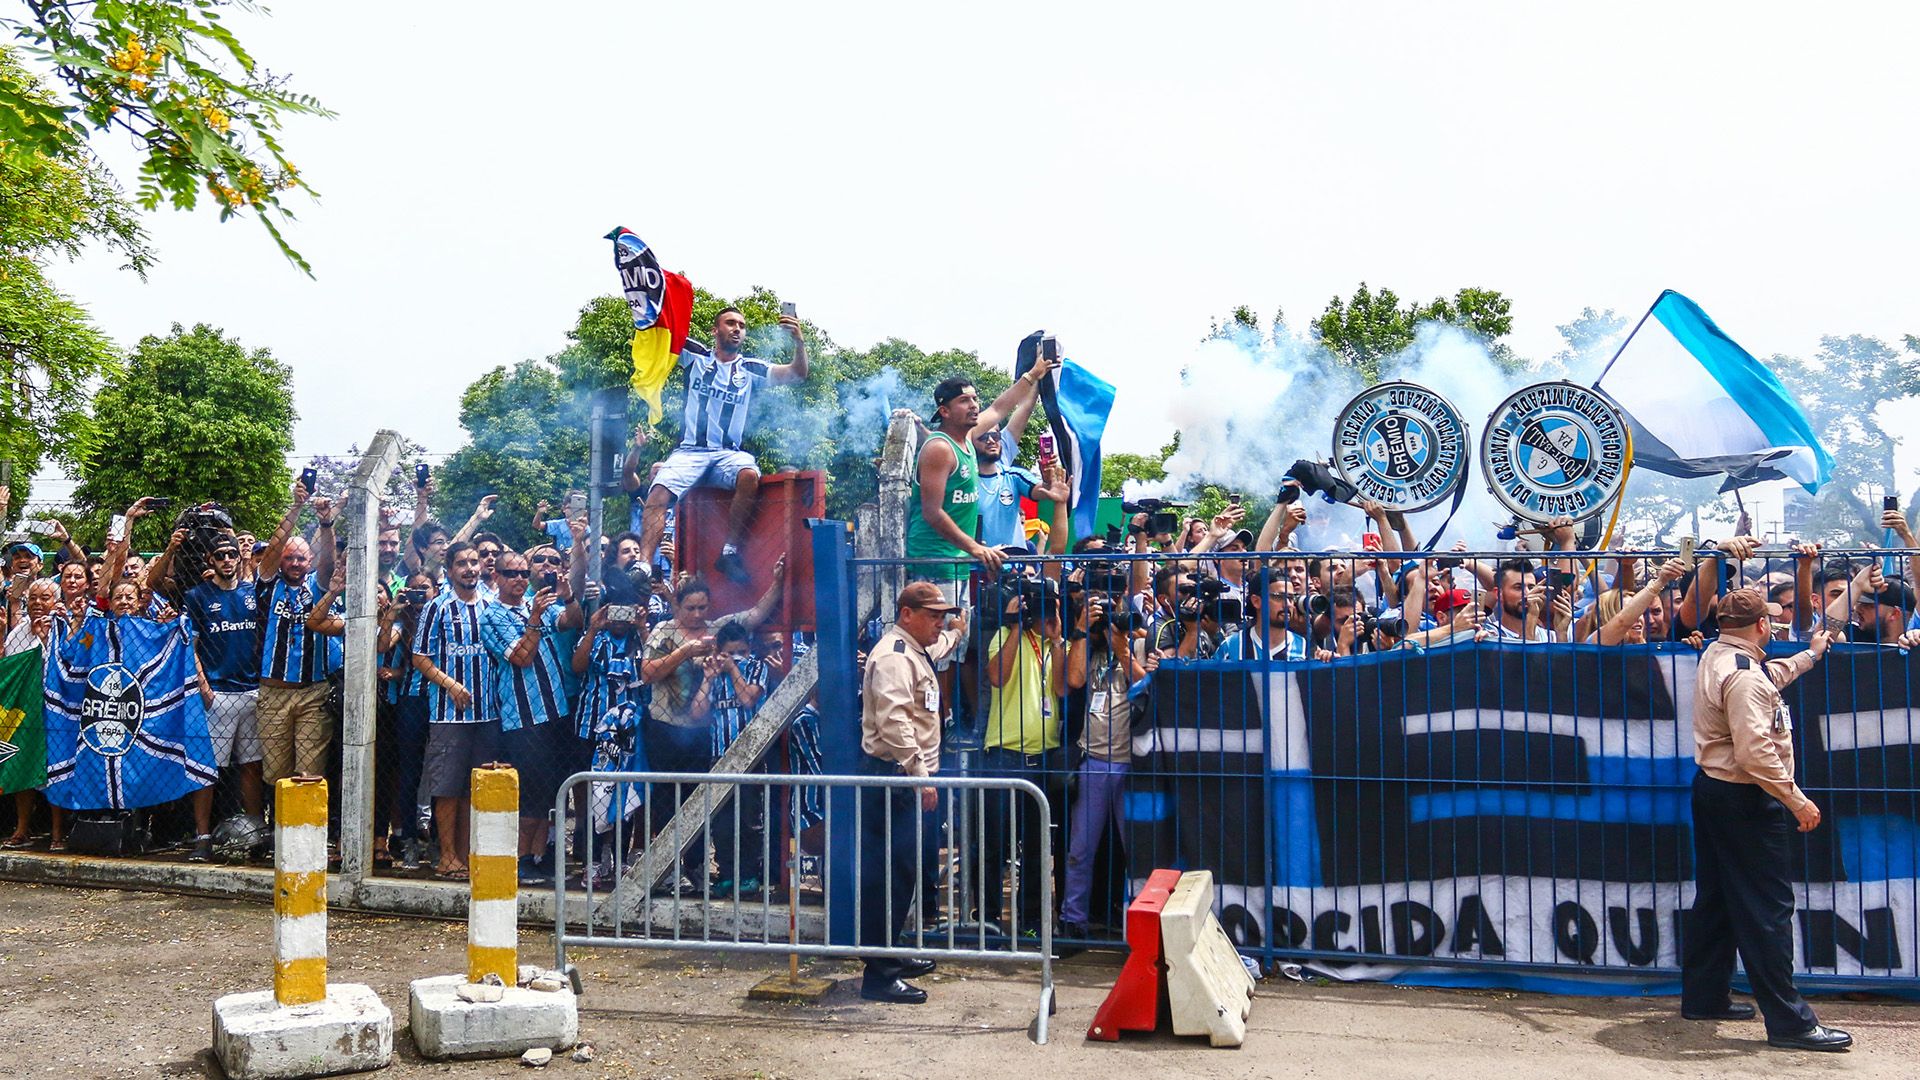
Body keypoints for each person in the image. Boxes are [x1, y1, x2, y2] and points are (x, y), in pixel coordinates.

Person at [1681, 587, 1850, 1051]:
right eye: (1771, 619)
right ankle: (1791, 1022)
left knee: (1715, 899)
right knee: (1768, 911)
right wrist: (1796, 800)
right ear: (1760, 626)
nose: (1774, 625)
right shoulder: (1744, 677)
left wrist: (1809, 656)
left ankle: (1704, 996)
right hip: (1746, 799)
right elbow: (1755, 751)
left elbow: (1764, 676)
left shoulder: (1721, 656)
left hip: (1714, 791)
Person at [635, 306, 809, 586]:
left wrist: (798, 342)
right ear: (715, 330)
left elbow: (797, 374)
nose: (737, 328)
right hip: (690, 451)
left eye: (741, 325)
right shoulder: (694, 356)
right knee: (658, 492)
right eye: (730, 323)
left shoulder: (751, 369)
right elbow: (659, 334)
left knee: (749, 473)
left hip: (728, 454)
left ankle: (729, 552)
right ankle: (643, 565)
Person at [640, 564, 786, 891]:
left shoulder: (716, 632)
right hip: (666, 727)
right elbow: (647, 673)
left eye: (702, 607)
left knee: (703, 801)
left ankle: (696, 865)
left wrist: (776, 582)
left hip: (706, 732)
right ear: (677, 605)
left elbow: (754, 615)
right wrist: (685, 652)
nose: (696, 614)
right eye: (689, 607)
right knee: (666, 798)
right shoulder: (664, 631)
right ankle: (667, 866)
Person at [857, 582, 964, 1004]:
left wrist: (958, 628)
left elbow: (939, 651)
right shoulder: (893, 658)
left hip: (908, 779)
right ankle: (879, 976)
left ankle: (891, 954)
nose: (939, 622)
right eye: (933, 615)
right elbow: (895, 722)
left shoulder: (916, 651)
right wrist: (920, 774)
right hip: (897, 779)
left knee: (908, 871)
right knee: (891, 877)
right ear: (906, 615)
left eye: (942, 615)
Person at [906, 355, 1055, 614]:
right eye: (964, 401)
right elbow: (932, 512)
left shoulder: (967, 441)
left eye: (975, 399)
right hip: (935, 564)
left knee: (955, 641)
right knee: (937, 645)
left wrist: (1034, 374)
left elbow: (999, 408)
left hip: (958, 563)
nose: (974, 405)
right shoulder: (940, 448)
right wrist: (976, 548)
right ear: (944, 411)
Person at [479, 549, 582, 886]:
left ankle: (538, 858)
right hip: (523, 717)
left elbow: (572, 621)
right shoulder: (492, 616)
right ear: (497, 577)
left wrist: (568, 599)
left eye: (524, 573)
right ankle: (522, 857)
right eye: (512, 573)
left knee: (549, 791)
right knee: (531, 793)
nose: (520, 579)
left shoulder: (534, 605)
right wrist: (535, 620)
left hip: (555, 711)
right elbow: (522, 658)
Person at [1060, 589, 1150, 936]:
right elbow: (1074, 680)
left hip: (1132, 764)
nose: (1107, 621)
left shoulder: (1136, 645)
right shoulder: (1086, 649)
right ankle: (1073, 919)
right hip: (1094, 761)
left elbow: (1145, 684)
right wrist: (1083, 629)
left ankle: (1140, 924)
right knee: (1080, 849)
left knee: (1137, 851)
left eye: (1111, 612)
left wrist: (1122, 647)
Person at [410, 541, 495, 880]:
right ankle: (446, 856)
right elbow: (420, 657)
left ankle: (466, 854)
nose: (471, 568)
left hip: (488, 712)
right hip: (448, 712)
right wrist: (450, 684)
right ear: (449, 570)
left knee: (475, 788)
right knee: (447, 786)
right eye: (462, 563)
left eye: (474, 562)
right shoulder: (438, 607)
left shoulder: (491, 605)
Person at [179, 532, 266, 862]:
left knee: (252, 767)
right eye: (220, 555)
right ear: (210, 561)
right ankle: (202, 836)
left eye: (232, 554)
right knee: (207, 770)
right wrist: (204, 686)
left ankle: (256, 833)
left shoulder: (252, 592)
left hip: (252, 690)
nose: (227, 559)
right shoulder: (197, 596)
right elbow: (192, 645)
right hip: (218, 693)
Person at [253, 480, 339, 784]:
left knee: (309, 774)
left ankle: (308, 833)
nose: (294, 562)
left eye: (301, 558)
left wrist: (326, 522)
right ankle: (279, 831)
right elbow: (274, 547)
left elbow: (329, 562)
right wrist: (297, 506)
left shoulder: (317, 585)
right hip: (273, 692)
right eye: (289, 557)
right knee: (276, 775)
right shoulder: (267, 584)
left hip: (312, 693)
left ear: (309, 561)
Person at [691, 620, 769, 894]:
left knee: (749, 819)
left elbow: (749, 699)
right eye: (730, 653)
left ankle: (749, 874)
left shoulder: (757, 667)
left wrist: (735, 668)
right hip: (719, 756)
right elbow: (697, 713)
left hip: (750, 756)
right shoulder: (713, 674)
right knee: (722, 822)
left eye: (741, 652)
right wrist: (708, 679)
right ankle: (726, 873)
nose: (737, 657)